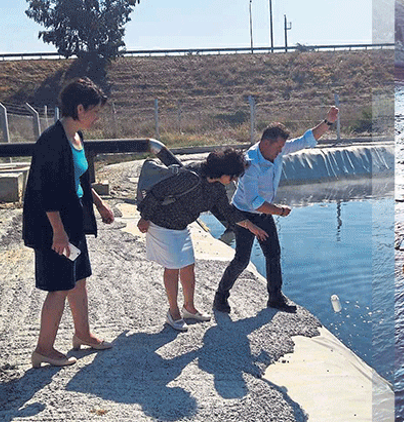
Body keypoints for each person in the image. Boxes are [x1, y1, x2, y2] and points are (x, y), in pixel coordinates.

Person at [22, 77, 115, 368]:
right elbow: (43, 191)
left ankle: (82, 334)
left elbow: (82, 179)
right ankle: (44, 349)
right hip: (53, 229)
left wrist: (99, 205)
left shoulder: (77, 137)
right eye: (95, 111)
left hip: (72, 224)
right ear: (79, 108)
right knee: (59, 286)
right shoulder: (50, 141)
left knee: (78, 280)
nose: (98, 116)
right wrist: (58, 233)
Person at [213, 106, 339, 314]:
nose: (281, 151)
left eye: (282, 147)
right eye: (278, 147)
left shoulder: (275, 151)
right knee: (242, 259)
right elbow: (254, 202)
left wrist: (327, 123)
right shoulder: (250, 163)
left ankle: (275, 298)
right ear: (265, 143)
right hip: (244, 215)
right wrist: (279, 211)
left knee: (273, 254)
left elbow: (304, 141)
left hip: (264, 213)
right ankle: (220, 297)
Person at [136, 147, 268, 332]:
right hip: (162, 223)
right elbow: (157, 193)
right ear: (224, 172)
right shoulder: (190, 177)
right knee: (172, 267)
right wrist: (145, 217)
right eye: (233, 176)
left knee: (188, 265)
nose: (235, 180)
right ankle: (173, 313)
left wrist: (251, 226)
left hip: (181, 226)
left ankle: (189, 308)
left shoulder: (216, 188)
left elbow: (228, 211)